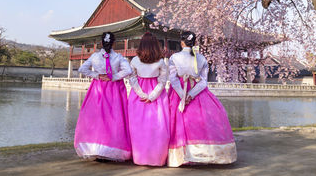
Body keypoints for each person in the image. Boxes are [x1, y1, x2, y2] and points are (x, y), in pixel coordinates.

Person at [168, 31, 237, 167]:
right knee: (206, 121)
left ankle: (182, 156)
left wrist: (183, 95)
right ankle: (208, 153)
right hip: (199, 92)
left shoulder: (174, 57)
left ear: (182, 42)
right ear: (194, 43)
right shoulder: (201, 58)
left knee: (181, 121)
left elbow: (173, 78)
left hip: (179, 91)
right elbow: (204, 81)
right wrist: (191, 94)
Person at [74, 32, 132, 161]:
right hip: (114, 89)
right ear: (114, 43)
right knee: (114, 117)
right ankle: (112, 148)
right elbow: (128, 70)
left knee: (97, 117)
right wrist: (113, 77)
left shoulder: (94, 56)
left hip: (98, 88)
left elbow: (82, 69)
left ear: (101, 43)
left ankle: (95, 148)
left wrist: (97, 75)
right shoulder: (118, 57)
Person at [128, 32, 170, 166]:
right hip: (157, 96)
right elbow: (163, 81)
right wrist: (152, 96)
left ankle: (139, 156)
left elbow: (132, 79)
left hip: (138, 95)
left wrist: (142, 94)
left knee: (137, 126)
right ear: (155, 46)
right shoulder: (160, 61)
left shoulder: (135, 60)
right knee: (158, 126)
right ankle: (157, 158)